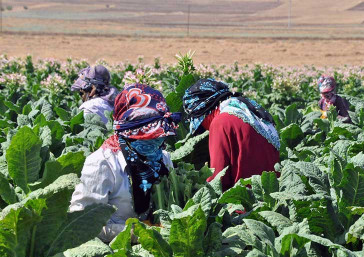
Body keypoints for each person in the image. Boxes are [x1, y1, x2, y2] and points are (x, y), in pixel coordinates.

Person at [69, 84, 181, 242]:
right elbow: (81, 225)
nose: (158, 141)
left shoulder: (164, 158)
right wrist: (139, 233)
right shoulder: (103, 163)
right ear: (127, 132)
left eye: (160, 134)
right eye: (148, 135)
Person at [183, 79, 280, 191]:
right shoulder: (251, 111)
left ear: (204, 110)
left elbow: (218, 179)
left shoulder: (221, 122)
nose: (204, 128)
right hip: (272, 198)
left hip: (244, 202)